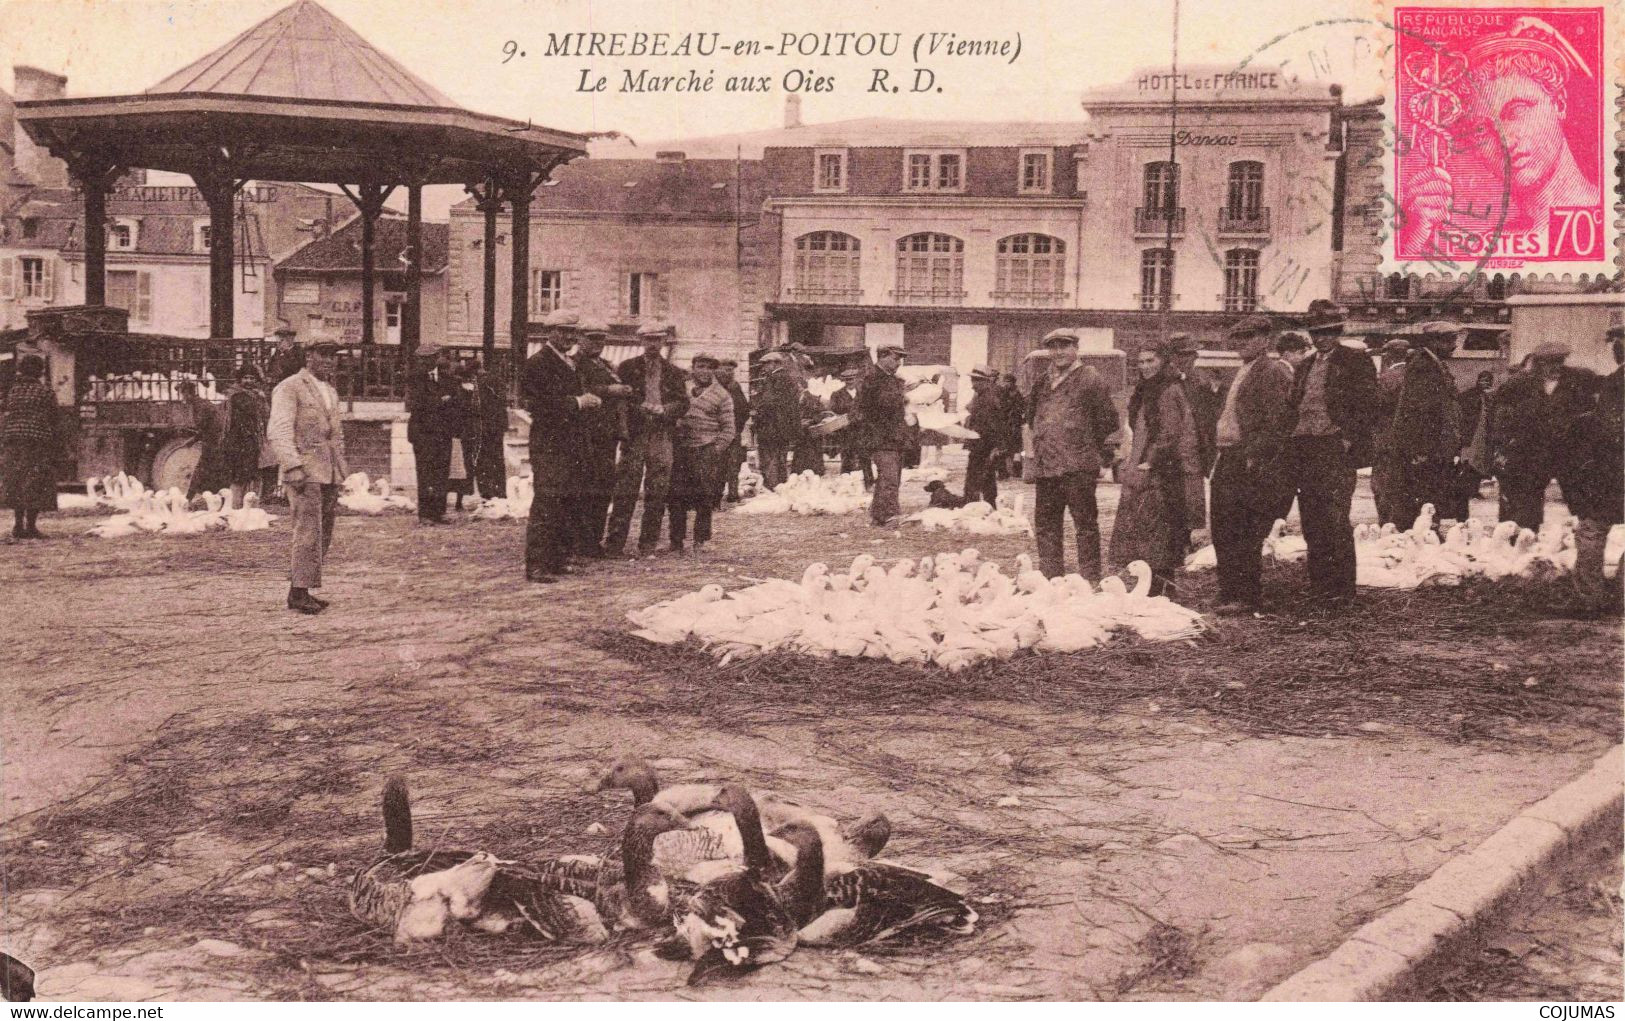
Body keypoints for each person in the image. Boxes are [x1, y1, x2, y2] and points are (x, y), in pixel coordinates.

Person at [1402, 16, 1602, 254]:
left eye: (1516, 110)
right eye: (1482, 130)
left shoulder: (1612, 211)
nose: (1504, 141)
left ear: (1558, 103)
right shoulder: (1484, 247)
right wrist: (1415, 236)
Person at [1285, 300, 1381, 603]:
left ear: (1337, 331)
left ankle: (1341, 589)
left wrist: (1348, 439)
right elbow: (1293, 407)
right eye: (1316, 332)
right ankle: (1319, 586)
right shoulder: (1304, 365)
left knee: (1335, 518)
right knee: (1311, 518)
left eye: (1327, 332)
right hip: (1304, 448)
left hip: (1334, 449)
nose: (1321, 338)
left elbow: (1367, 406)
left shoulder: (1355, 361)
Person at [1208, 317, 1296, 613]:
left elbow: (1277, 422)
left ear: (1265, 339)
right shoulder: (1243, 371)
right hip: (1229, 457)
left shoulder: (1270, 372)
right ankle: (1229, 591)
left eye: (1247, 338)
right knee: (1223, 527)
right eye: (1237, 338)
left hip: (1247, 460)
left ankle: (1245, 596)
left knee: (1243, 529)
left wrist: (1255, 456)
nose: (1240, 344)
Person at [1111, 339, 1203, 598]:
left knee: (1159, 528)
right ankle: (1151, 584)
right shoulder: (1145, 388)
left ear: (1163, 360)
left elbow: (1170, 431)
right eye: (1140, 362)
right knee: (1145, 527)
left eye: (1151, 360)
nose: (1145, 366)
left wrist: (1150, 461)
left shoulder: (1169, 388)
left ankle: (1160, 587)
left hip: (1162, 469)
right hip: (1142, 461)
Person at [1027, 330, 1120, 581]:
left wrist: (1089, 447)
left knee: (1085, 525)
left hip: (1077, 466)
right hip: (1047, 466)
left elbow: (1108, 420)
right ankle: (1051, 577)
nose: (1058, 352)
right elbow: (1030, 416)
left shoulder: (1090, 378)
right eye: (1053, 347)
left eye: (1064, 346)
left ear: (1076, 348)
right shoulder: (1042, 381)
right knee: (1046, 525)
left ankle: (1090, 578)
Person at [268, 340, 348, 614]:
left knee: (322, 532)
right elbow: (278, 430)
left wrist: (341, 471)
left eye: (333, 356)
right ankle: (299, 593)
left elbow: (335, 435)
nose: (329, 361)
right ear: (308, 357)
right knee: (306, 532)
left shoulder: (330, 392)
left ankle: (300, 589)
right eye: (322, 354)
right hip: (305, 471)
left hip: (328, 472)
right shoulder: (290, 387)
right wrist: (292, 466)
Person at [521, 317, 601, 583]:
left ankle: (557, 560)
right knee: (547, 503)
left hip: (571, 445)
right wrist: (579, 401)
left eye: (572, 332)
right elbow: (539, 405)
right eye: (563, 332)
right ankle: (536, 565)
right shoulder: (538, 363)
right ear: (550, 333)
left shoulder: (569, 363)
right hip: (550, 445)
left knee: (566, 503)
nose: (569, 337)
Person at [1490, 342, 1599, 530]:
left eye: (1560, 361)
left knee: (1582, 503)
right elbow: (1502, 415)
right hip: (1532, 452)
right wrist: (1506, 444)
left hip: (1570, 452)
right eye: (1550, 362)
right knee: (1528, 503)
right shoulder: (1520, 383)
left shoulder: (1579, 379)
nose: (1556, 366)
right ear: (1539, 363)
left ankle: (1583, 543)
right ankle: (1527, 540)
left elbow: (1593, 411)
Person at [605, 323, 688, 557]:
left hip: (662, 435)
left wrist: (665, 409)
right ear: (641, 341)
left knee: (657, 490)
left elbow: (683, 403)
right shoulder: (627, 368)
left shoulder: (673, 371)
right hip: (635, 434)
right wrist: (640, 407)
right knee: (626, 489)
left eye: (657, 340)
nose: (653, 344)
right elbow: (620, 400)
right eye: (648, 340)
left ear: (663, 342)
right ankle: (614, 543)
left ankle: (648, 542)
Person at [1385, 322, 1463, 529]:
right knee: (1420, 497)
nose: (1453, 346)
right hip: (1425, 449)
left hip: (1432, 447)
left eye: (1453, 340)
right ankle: (1418, 537)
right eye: (1448, 341)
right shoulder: (1424, 366)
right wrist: (1420, 449)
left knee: (1427, 496)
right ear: (1433, 342)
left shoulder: (1433, 363)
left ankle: (1423, 533)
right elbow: (1418, 411)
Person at [1566, 327, 1623, 609]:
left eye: (1616, 344)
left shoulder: (1616, 381)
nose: (1614, 349)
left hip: (1613, 469)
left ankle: (1589, 597)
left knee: (1592, 528)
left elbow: (1610, 429)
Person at [571, 321, 632, 556]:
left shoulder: (606, 365)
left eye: (601, 339)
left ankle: (592, 541)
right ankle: (579, 543)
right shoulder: (574, 364)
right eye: (592, 338)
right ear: (580, 340)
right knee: (586, 488)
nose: (597, 343)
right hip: (586, 434)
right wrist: (610, 391)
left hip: (608, 435)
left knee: (603, 487)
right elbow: (579, 389)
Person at [669, 354, 736, 553]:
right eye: (700, 366)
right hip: (681, 448)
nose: (704, 371)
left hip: (706, 449)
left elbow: (729, 429)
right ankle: (676, 540)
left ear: (713, 370)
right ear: (693, 368)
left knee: (704, 496)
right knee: (676, 496)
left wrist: (714, 450)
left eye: (709, 367)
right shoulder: (682, 389)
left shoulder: (722, 395)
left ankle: (701, 539)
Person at [0, 354, 60, 540]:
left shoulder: (13, 392)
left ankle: (18, 525)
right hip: (37, 443)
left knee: (17, 482)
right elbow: (54, 418)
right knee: (36, 482)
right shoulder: (46, 392)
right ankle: (31, 527)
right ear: (41, 371)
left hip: (13, 442)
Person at [1168, 333, 1216, 540]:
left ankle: (1189, 539)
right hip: (1168, 447)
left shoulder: (1200, 382)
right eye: (1181, 355)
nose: (1187, 359)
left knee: (1192, 495)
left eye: (1190, 354)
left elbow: (1209, 418)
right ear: (1172, 357)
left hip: (1193, 449)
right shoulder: (1164, 381)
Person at [857, 344, 910, 528]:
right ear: (882, 357)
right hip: (881, 436)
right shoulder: (873, 378)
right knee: (889, 476)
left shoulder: (889, 379)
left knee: (887, 476)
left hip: (892, 436)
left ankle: (879, 515)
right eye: (895, 359)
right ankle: (889, 515)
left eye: (900, 360)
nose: (898, 363)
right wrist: (903, 395)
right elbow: (882, 404)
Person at [406, 344, 459, 525]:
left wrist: (442, 401)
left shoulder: (447, 377)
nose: (424, 362)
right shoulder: (415, 378)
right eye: (422, 359)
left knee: (441, 473)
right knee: (425, 473)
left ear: (436, 358)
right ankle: (425, 513)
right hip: (423, 434)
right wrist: (442, 400)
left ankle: (439, 512)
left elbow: (456, 399)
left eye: (429, 358)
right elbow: (416, 404)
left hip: (443, 432)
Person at [1371, 339, 1412, 526]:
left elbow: (1375, 409)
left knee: (1383, 483)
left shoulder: (1386, 378)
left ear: (1387, 356)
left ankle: (1387, 523)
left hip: (1386, 438)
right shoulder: (1414, 376)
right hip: (1409, 440)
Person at [221, 365, 270, 510]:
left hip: (251, 441)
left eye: (252, 378)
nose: (248, 381)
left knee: (251, 475)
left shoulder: (256, 396)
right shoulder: (238, 396)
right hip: (239, 441)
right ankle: (237, 507)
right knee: (241, 476)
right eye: (245, 378)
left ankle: (250, 507)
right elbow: (247, 418)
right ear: (240, 380)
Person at [751, 352, 800, 491]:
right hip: (783, 427)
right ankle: (781, 485)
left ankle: (772, 486)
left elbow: (768, 403)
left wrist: (758, 414)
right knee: (781, 457)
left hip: (770, 426)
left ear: (775, 363)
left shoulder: (773, 378)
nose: (764, 367)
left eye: (766, 364)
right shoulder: (789, 378)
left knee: (769, 457)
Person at [963, 366, 1005, 506]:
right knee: (986, 478)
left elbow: (993, 425)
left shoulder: (988, 398)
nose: (973, 384)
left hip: (984, 445)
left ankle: (973, 505)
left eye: (977, 381)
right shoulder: (981, 396)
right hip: (979, 444)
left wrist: (995, 447)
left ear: (986, 381)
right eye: (973, 380)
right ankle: (986, 505)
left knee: (976, 478)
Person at [180, 380, 228, 500]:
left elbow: (203, 425)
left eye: (183, 394)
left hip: (214, 442)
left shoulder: (199, 406)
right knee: (212, 472)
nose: (183, 398)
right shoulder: (201, 403)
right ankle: (215, 499)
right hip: (214, 440)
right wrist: (193, 440)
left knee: (201, 471)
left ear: (187, 393)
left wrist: (193, 437)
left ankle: (188, 499)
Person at [829, 366, 873, 490]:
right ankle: (845, 484)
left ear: (856, 379)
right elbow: (833, 411)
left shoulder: (863, 393)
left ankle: (868, 482)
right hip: (846, 431)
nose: (850, 382)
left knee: (864, 456)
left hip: (862, 430)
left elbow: (870, 409)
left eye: (852, 379)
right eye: (847, 380)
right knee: (847, 456)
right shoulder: (837, 394)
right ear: (844, 381)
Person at [715, 357, 750, 504]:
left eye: (731, 370)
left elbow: (744, 408)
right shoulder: (714, 386)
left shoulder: (735, 386)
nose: (729, 372)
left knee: (733, 464)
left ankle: (732, 494)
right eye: (726, 369)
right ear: (718, 369)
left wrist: (737, 427)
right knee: (718, 464)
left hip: (733, 432)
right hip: (716, 433)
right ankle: (715, 495)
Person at [447, 361, 480, 512]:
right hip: (467, 432)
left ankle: (455, 501)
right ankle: (459, 501)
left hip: (456, 432)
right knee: (464, 466)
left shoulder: (456, 392)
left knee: (455, 466)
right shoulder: (472, 392)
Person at [473, 364, 510, 502]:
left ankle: (487, 493)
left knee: (483, 460)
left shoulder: (480, 384)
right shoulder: (497, 381)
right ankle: (500, 492)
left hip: (484, 427)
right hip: (497, 427)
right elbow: (503, 405)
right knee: (498, 459)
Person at [790, 384, 829, 476]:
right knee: (800, 455)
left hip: (812, 432)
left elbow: (822, 414)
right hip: (801, 433)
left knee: (813, 455)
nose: (799, 389)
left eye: (800, 387)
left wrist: (811, 421)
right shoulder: (794, 399)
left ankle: (815, 473)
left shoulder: (814, 399)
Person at [997, 373, 1026, 479]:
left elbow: (1022, 408)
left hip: (1014, 424)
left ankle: (1016, 470)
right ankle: (1004, 472)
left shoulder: (1017, 394)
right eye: (1005, 382)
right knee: (1006, 448)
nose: (1006, 384)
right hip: (1006, 424)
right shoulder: (1004, 393)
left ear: (1013, 383)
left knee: (1016, 449)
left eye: (1008, 382)